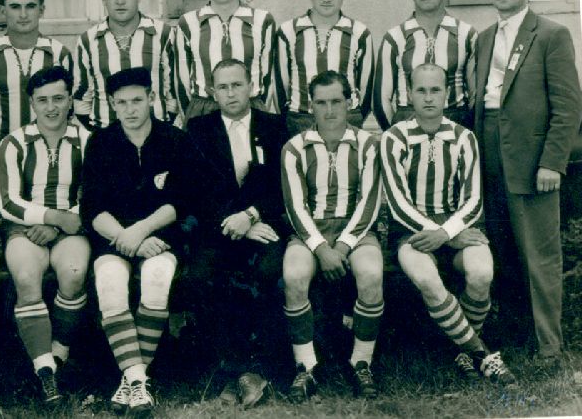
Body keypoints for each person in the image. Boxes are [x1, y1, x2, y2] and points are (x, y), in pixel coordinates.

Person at [474, 0, 582, 364]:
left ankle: (550, 347)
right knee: (503, 250)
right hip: (489, 153)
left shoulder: (551, 34)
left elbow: (568, 107)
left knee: (540, 254)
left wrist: (552, 161)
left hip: (532, 158)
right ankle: (519, 337)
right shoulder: (484, 38)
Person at [381, 63, 516, 386]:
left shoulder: (463, 137)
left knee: (482, 272)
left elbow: (473, 199)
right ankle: (480, 353)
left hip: (456, 227)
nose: (428, 98)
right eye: (421, 90)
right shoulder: (394, 137)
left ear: (447, 93)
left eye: (435, 90)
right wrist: (437, 234)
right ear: (409, 94)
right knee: (427, 277)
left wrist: (446, 233)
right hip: (412, 232)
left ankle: (461, 350)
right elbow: (397, 202)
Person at [80, 68, 198, 414]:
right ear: (112, 104)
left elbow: (182, 201)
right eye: (122, 103)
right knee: (110, 280)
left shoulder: (174, 139)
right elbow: (92, 208)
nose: (130, 109)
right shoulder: (101, 142)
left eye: (137, 101)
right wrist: (125, 237)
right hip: (113, 237)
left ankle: (131, 380)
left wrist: (141, 232)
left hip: (159, 238)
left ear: (151, 98)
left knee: (156, 277)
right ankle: (138, 380)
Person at [185, 58, 289, 407]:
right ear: (212, 92)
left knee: (268, 273)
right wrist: (236, 222)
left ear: (251, 87)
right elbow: (197, 192)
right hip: (219, 228)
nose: (230, 93)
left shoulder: (274, 126)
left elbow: (283, 184)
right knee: (202, 276)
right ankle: (232, 368)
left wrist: (251, 215)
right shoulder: (199, 129)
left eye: (237, 85)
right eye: (223, 87)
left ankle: (259, 366)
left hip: (264, 224)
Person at [281, 70, 384, 401]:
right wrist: (321, 249)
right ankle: (306, 366)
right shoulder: (294, 147)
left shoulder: (369, 144)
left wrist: (341, 246)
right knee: (294, 275)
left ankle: (361, 363)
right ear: (310, 105)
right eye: (321, 103)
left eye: (336, 101)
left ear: (349, 103)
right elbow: (295, 207)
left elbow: (369, 202)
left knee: (371, 273)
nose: (329, 110)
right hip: (310, 230)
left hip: (356, 231)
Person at [0, 66, 90, 406]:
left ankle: (58, 356)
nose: (51, 107)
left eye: (58, 99)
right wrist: (50, 217)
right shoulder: (14, 142)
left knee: (74, 273)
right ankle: (44, 371)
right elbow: (7, 201)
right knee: (25, 276)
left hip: (72, 226)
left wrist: (62, 223)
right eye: (42, 100)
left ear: (70, 100)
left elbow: (94, 196)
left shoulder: (88, 140)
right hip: (25, 227)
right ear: (32, 103)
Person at [373, 0, 477, 130]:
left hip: (455, 124)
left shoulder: (466, 34)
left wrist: (464, 133)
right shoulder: (395, 37)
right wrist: (395, 134)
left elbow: (475, 96)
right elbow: (381, 98)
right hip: (407, 123)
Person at [176, 0, 276, 123]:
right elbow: (182, 80)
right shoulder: (188, 23)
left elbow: (269, 78)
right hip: (204, 110)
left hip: (251, 108)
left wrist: (260, 112)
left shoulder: (263, 20)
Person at [73, 0, 177, 130]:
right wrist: (101, 134)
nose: (120, 1)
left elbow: (173, 94)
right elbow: (82, 98)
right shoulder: (88, 40)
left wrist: (161, 129)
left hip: (155, 135)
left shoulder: (163, 34)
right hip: (107, 135)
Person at [275, 0, 374, 135]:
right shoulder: (288, 31)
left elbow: (366, 91)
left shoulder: (359, 33)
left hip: (347, 121)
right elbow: (281, 88)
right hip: (300, 121)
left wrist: (353, 117)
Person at [0, 0, 73, 141]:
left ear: (41, 10)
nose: (23, 15)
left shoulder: (60, 54)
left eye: (30, 6)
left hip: (49, 147)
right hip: (2, 148)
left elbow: (69, 107)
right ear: (3, 10)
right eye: (15, 7)